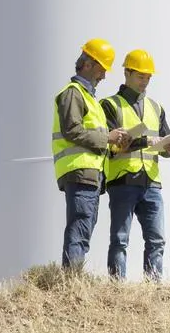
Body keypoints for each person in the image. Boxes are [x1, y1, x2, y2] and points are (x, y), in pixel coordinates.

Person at [52, 37, 130, 272]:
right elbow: (72, 131)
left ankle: (74, 280)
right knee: (79, 229)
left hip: (91, 174)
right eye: (102, 69)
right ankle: (72, 282)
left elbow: (92, 135)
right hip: (80, 171)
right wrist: (108, 137)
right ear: (89, 64)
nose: (104, 76)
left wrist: (114, 141)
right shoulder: (73, 93)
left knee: (83, 229)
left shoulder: (89, 98)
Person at [101, 48, 170, 281]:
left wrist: (169, 149)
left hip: (151, 183)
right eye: (140, 76)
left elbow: (164, 139)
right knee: (120, 239)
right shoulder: (109, 105)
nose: (145, 82)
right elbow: (112, 144)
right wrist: (146, 140)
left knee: (156, 240)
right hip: (123, 180)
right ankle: (116, 286)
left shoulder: (156, 108)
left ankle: (153, 287)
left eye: (148, 77)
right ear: (126, 73)